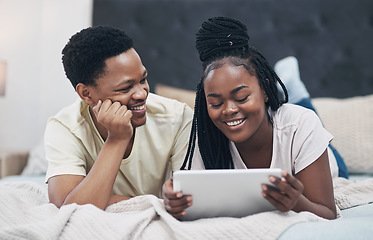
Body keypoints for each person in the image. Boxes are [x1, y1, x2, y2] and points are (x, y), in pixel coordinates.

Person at [163, 17, 337, 220]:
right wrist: (174, 201)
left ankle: (297, 92)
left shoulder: (300, 124)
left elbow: (328, 213)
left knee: (306, 113)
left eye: (241, 98)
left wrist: (297, 202)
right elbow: (192, 202)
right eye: (216, 104)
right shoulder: (206, 136)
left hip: (319, 158)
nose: (228, 110)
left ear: (264, 89)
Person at [44, 26, 193, 210]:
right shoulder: (64, 127)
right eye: (125, 88)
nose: (141, 93)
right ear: (86, 93)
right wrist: (117, 139)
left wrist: (102, 199)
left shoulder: (178, 117)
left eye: (143, 80)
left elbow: (188, 199)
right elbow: (67, 208)